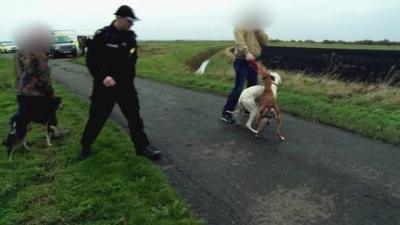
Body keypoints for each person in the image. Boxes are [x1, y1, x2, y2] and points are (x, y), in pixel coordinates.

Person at [79, 5, 161, 161]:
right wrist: (103, 76)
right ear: (119, 18)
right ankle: (85, 147)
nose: (132, 24)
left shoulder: (130, 37)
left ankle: (142, 147)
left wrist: (128, 79)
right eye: (130, 21)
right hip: (105, 86)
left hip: (125, 86)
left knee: (134, 118)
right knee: (97, 118)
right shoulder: (102, 35)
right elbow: (91, 60)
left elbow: (132, 59)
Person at [3, 25, 68, 149]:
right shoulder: (38, 53)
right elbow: (42, 75)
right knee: (42, 113)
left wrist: (19, 88)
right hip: (37, 92)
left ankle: (17, 134)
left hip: (23, 91)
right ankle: (17, 135)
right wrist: (50, 92)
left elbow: (18, 72)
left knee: (25, 114)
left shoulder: (20, 51)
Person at [221, 26, 269, 123]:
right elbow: (240, 41)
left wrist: (259, 31)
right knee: (239, 88)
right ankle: (226, 113)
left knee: (253, 87)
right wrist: (246, 52)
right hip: (242, 60)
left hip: (253, 61)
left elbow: (265, 42)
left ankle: (248, 110)